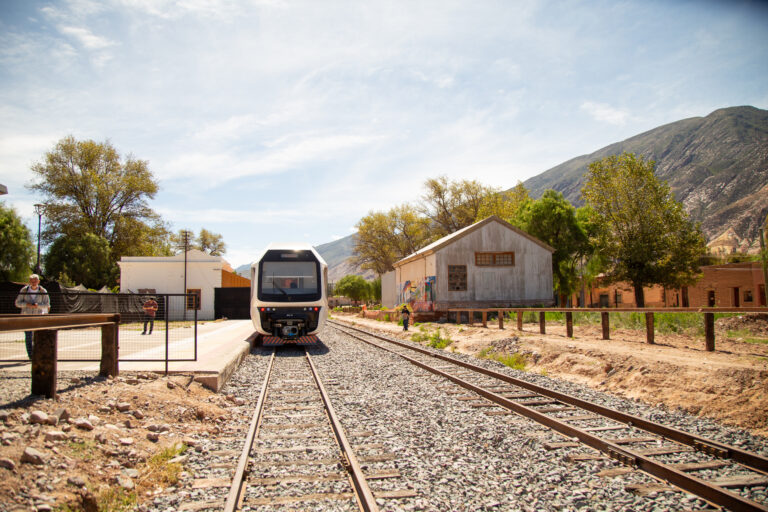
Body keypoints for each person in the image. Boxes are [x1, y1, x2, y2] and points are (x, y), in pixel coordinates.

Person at [15, 274, 50, 359]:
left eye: (35, 281)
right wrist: (26, 304)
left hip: (38, 317)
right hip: (26, 316)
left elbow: (47, 304)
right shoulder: (24, 290)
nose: (33, 282)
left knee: (38, 336)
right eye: (32, 281)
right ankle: (31, 355)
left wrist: (38, 305)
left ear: (38, 281)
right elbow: (17, 303)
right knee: (28, 336)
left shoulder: (43, 291)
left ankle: (38, 353)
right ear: (29, 281)